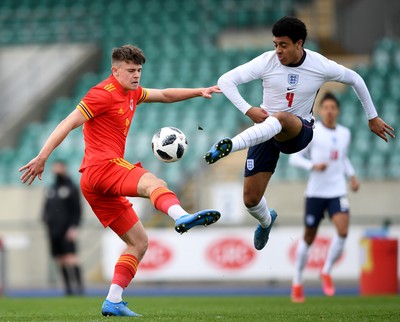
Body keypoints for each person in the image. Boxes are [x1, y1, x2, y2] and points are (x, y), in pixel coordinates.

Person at [19, 45, 221, 317]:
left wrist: (198, 91)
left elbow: (163, 95)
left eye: (139, 70)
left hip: (94, 184)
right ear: (115, 71)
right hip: (102, 168)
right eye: (130, 71)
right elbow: (68, 122)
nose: (136, 75)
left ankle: (113, 300)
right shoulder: (101, 94)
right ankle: (181, 216)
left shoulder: (133, 93)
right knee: (154, 182)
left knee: (139, 242)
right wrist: (42, 157)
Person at [204, 16, 394, 252]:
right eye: (275, 44)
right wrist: (248, 109)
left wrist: (372, 116)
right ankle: (266, 221)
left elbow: (355, 78)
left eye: (283, 45)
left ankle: (229, 146)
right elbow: (226, 80)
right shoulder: (267, 61)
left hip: (298, 131)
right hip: (265, 132)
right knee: (250, 200)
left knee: (281, 117)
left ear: (299, 43)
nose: (278, 51)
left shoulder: (319, 65)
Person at [288, 92, 359, 303]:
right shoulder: (314, 132)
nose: (329, 111)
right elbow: (294, 159)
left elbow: (343, 158)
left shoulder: (345, 133)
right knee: (309, 237)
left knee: (343, 230)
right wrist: (313, 165)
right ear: (320, 110)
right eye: (326, 107)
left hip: (337, 191)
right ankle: (297, 282)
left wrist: (352, 175)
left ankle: (326, 271)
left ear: (337, 111)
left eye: (333, 108)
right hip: (316, 193)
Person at [42, 160, 84, 296]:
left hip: (67, 230)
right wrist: (45, 220)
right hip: (53, 231)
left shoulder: (71, 187)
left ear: (64, 168)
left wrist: (74, 227)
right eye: (55, 167)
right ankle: (68, 290)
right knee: (60, 260)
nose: (57, 170)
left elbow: (77, 210)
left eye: (59, 167)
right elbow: (45, 209)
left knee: (71, 258)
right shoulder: (51, 188)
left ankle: (80, 289)